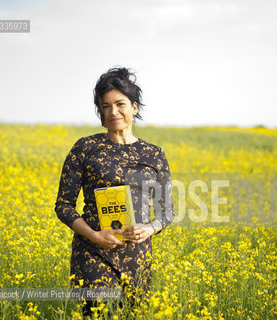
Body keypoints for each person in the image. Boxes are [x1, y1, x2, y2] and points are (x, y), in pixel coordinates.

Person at [54, 66, 174, 317]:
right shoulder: (85, 148)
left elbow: (166, 211)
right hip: (93, 253)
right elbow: (64, 205)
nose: (113, 111)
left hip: (138, 257)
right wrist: (94, 236)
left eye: (120, 104)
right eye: (105, 106)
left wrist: (150, 228)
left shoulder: (154, 154)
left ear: (134, 107)